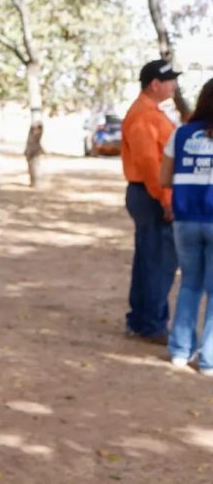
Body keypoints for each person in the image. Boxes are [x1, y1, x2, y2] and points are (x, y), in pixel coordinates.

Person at [121, 59, 180, 344]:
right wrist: (166, 198)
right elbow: (149, 163)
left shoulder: (150, 112)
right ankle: (152, 324)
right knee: (158, 259)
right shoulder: (144, 116)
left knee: (148, 257)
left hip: (147, 192)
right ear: (155, 84)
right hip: (151, 193)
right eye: (171, 80)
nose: (174, 85)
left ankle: (142, 319)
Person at [160, 77, 213, 375]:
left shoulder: (180, 134)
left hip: (185, 219)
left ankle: (180, 351)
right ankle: (208, 360)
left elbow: (163, 179)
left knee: (190, 284)